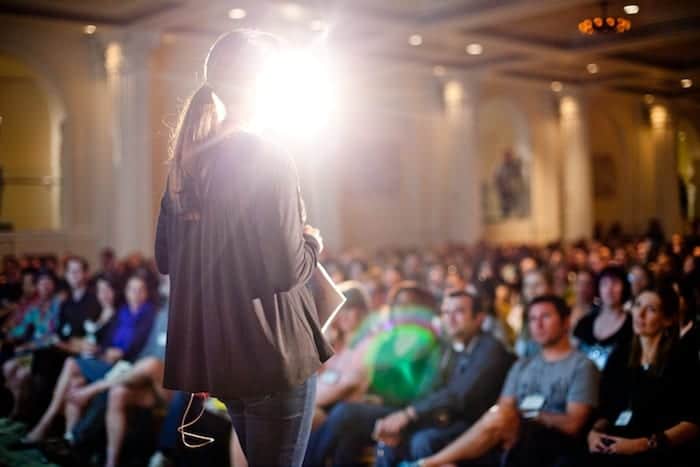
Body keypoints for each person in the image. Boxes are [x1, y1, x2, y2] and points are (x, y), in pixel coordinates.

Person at [154, 29, 333, 467]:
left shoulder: (190, 163)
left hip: (227, 353)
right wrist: (311, 241)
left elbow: (165, 259)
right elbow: (286, 269)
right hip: (272, 351)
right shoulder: (267, 155)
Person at [408, 295, 599, 467]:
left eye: (546, 317)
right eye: (532, 319)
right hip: (514, 437)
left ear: (565, 322)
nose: (538, 324)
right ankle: (434, 463)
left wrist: (538, 416)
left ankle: (425, 464)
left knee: (500, 417)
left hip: (551, 440)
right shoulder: (522, 365)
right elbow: (504, 407)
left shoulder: (582, 366)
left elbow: (574, 424)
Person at [373, 288, 515, 466]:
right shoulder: (446, 347)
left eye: (459, 312)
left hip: (478, 428)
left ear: (479, 319)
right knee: (388, 438)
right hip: (445, 420)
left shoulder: (490, 349)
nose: (450, 318)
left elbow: (460, 395)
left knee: (423, 441)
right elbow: (428, 389)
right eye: (446, 312)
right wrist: (401, 418)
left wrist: (410, 414)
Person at [16, 276, 155, 447]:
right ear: (126, 292)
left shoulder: (148, 314)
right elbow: (106, 343)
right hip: (106, 361)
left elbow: (137, 345)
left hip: (125, 367)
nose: (136, 294)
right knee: (74, 383)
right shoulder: (123, 311)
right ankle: (69, 439)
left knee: (71, 364)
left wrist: (115, 352)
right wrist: (103, 351)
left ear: (146, 293)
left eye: (140, 289)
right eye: (132, 289)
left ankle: (46, 425)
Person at [586, 287, 700, 466]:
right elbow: (606, 411)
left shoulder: (682, 359)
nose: (640, 314)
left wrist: (643, 445)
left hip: (660, 452)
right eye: (638, 305)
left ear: (668, 319)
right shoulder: (620, 356)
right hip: (617, 444)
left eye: (651, 309)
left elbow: (692, 423)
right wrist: (594, 433)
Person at [573, 266, 633, 370]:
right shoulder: (585, 322)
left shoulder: (632, 324)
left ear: (624, 287)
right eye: (604, 283)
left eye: (615, 283)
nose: (609, 288)